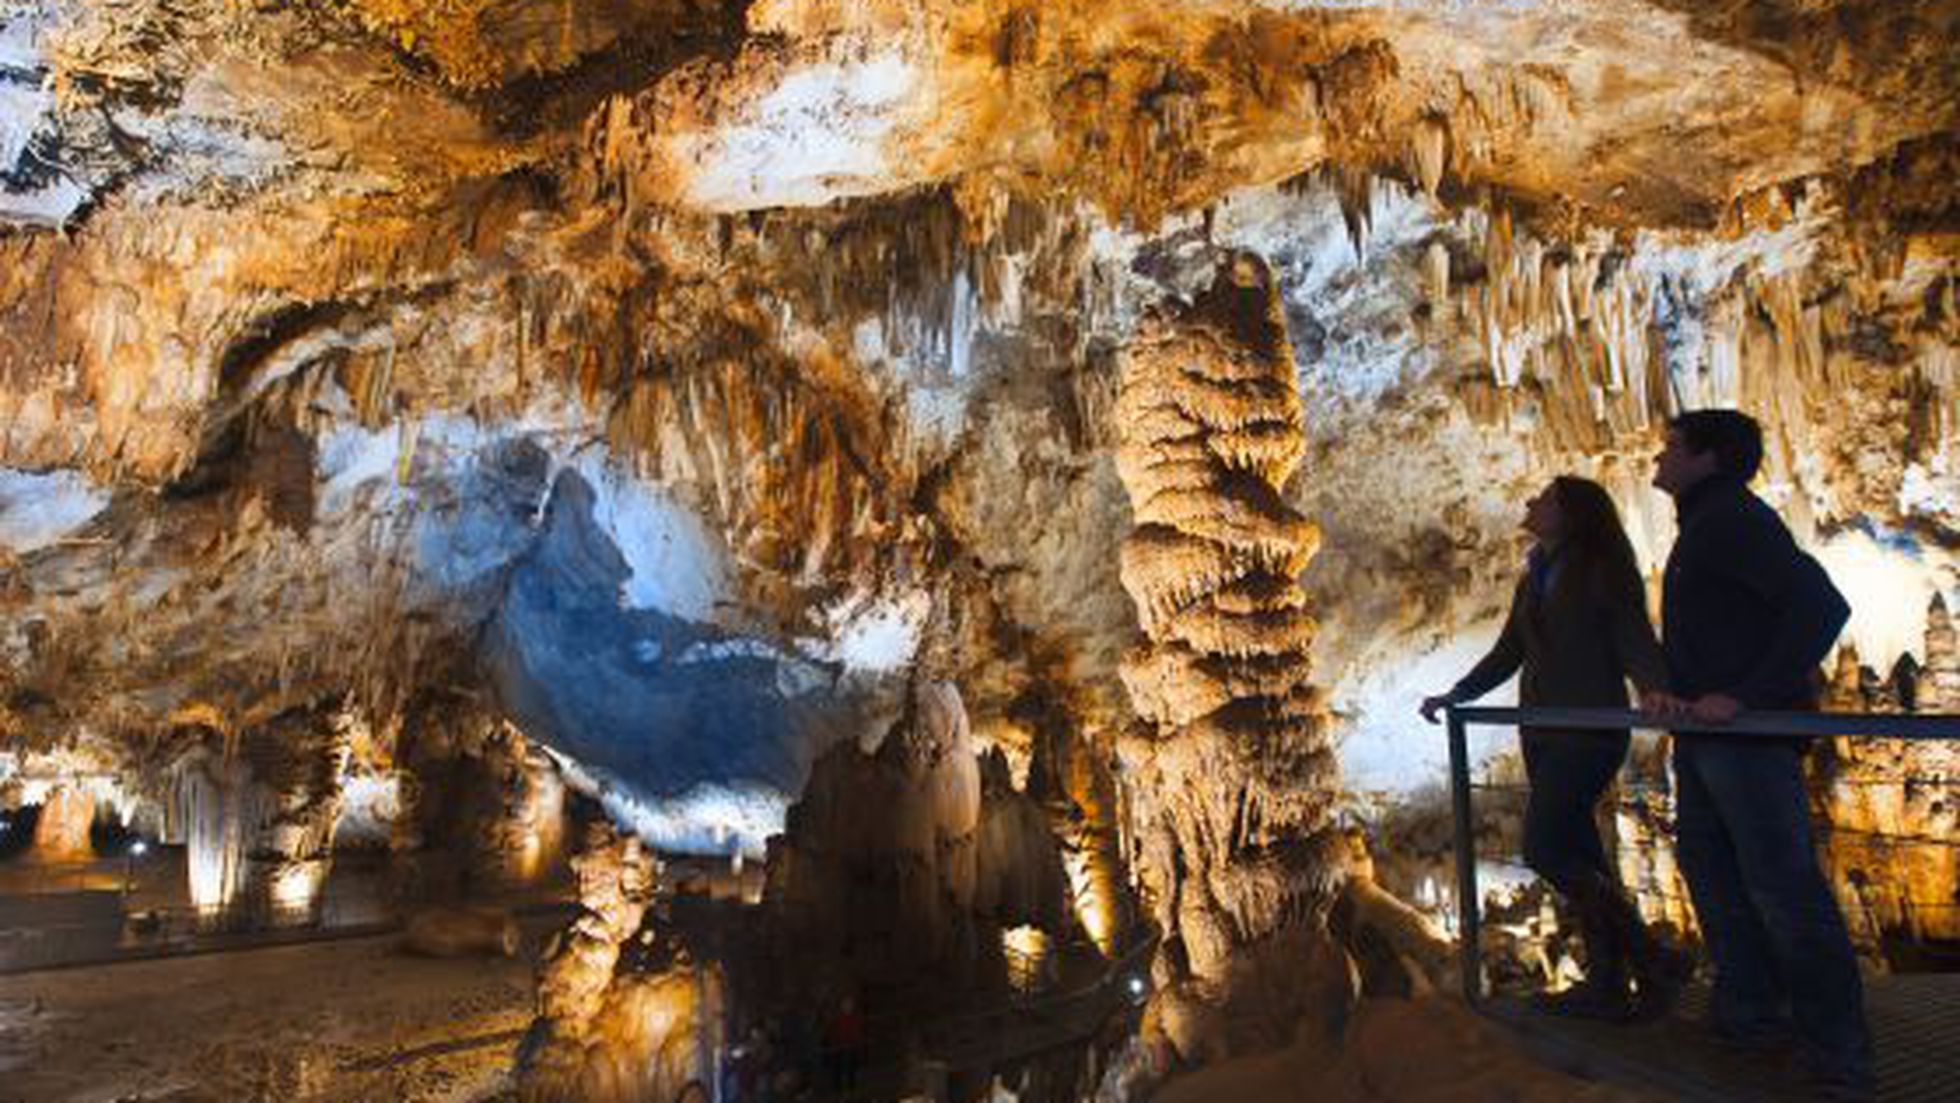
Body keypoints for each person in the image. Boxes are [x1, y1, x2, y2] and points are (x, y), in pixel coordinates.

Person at [1643, 409, 1871, 1098]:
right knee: (1713, 871)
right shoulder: (1704, 525)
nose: (1660, 455)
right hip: (1709, 737)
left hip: (1747, 737)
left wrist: (1747, 694)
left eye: (1673, 446)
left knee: (1782, 888)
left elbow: (1821, 605)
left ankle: (1836, 1049)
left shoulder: (1735, 521)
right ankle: (1752, 1014)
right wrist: (1674, 693)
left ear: (1710, 457)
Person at [1421, 475, 1683, 1019]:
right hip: (1542, 729)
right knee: (1582, 855)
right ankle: (1609, 979)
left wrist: (1655, 687)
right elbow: (1509, 650)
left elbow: (1631, 632)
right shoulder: (1537, 571)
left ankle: (1651, 955)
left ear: (1571, 513)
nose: (1530, 504)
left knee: (1543, 848)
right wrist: (1456, 694)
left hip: (1587, 728)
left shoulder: (1599, 567)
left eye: (1543, 500)